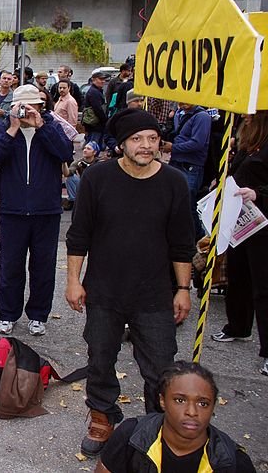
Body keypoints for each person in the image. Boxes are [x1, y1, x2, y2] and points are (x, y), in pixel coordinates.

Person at [65, 108, 195, 457]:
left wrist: (183, 289)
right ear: (122, 144)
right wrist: (73, 281)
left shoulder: (174, 182)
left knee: (161, 367)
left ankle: (160, 426)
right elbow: (79, 236)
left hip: (154, 293)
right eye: (137, 139)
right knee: (100, 358)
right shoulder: (97, 178)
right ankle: (102, 416)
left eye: (152, 138)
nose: (146, 145)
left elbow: (182, 243)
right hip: (104, 290)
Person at [0, 84, 72, 337]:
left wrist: (41, 127)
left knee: (43, 266)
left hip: (46, 210)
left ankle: (38, 315)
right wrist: (12, 128)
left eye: (34, 105)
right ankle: (8, 314)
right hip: (13, 210)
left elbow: (65, 151)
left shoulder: (50, 126)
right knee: (11, 266)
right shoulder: (5, 128)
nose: (28, 110)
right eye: (23, 105)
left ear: (42, 106)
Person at [96, 361, 256, 473]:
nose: (192, 412)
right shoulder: (131, 436)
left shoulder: (233, 462)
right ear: (162, 401)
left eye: (203, 403)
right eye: (180, 400)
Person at [210, 111, 268, 377]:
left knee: (263, 287)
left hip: (263, 224)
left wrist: (258, 194)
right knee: (238, 276)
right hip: (241, 221)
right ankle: (238, 325)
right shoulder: (246, 140)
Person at [161, 103, 212, 240]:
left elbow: (197, 143)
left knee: (188, 205)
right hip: (177, 162)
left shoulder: (202, 117)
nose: (182, 102)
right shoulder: (179, 113)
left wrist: (173, 148)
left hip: (191, 166)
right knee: (173, 201)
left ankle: (200, 239)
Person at [62, 141, 100, 211]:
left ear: (94, 152)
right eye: (84, 148)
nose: (85, 150)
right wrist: (64, 162)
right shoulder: (79, 162)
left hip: (96, 189)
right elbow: (67, 174)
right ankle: (72, 201)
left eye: (88, 149)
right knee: (71, 177)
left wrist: (88, 166)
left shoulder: (100, 162)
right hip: (83, 186)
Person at [83, 71, 108, 147]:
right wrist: (105, 120)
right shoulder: (94, 92)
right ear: (93, 80)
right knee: (92, 146)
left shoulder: (97, 91)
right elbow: (98, 109)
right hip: (94, 125)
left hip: (95, 124)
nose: (103, 81)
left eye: (104, 79)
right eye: (100, 79)